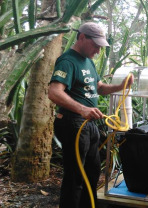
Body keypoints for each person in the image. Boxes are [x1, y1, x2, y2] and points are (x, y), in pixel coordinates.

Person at [48, 22, 133, 208]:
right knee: (75, 177)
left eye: (100, 46)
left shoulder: (88, 61)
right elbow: (54, 92)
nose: (98, 50)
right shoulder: (68, 61)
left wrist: (121, 86)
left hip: (89, 125)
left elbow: (99, 87)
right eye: (95, 45)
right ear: (81, 38)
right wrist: (82, 109)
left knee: (92, 172)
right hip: (73, 124)